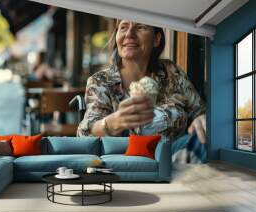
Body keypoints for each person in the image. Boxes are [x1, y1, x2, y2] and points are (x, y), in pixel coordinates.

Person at [77, 20, 207, 163]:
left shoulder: (171, 72)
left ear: (156, 39)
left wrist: (201, 118)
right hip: (126, 163)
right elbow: (85, 133)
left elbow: (199, 110)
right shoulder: (101, 81)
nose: (129, 34)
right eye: (123, 27)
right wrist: (115, 122)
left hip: (174, 156)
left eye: (140, 27)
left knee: (204, 141)